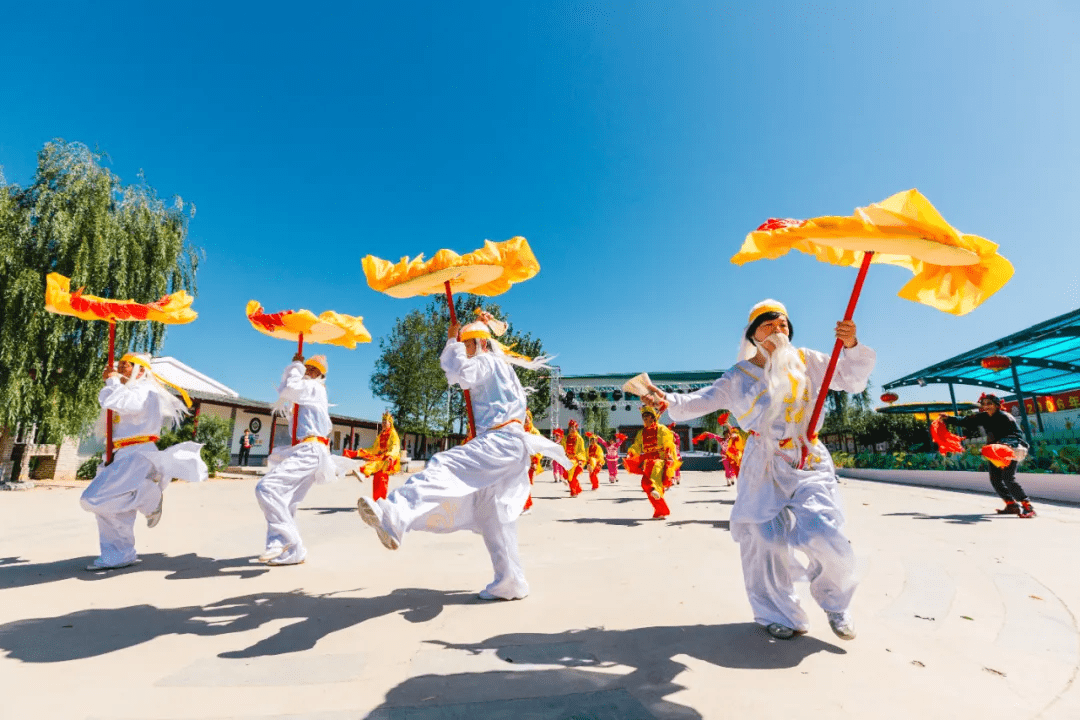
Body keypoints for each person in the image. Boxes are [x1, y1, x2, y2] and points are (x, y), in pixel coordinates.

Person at [643, 299, 875, 641]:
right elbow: (698, 401)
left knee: (824, 531)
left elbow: (853, 379)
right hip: (762, 460)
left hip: (807, 456)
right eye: (768, 325)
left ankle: (836, 603)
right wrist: (666, 400)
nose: (778, 330)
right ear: (753, 335)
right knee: (764, 539)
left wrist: (852, 345)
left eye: (783, 325)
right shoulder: (739, 376)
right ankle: (775, 612)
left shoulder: (809, 360)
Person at [356, 313, 568, 600]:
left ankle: (393, 514)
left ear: (481, 343)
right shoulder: (503, 368)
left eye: (469, 345)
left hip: (500, 440)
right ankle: (511, 582)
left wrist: (451, 340)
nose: (466, 351)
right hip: (510, 444)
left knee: (446, 465)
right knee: (492, 515)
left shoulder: (487, 360)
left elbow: (457, 371)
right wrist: (460, 339)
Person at [81, 352, 208, 571]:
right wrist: (115, 381)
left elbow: (121, 402)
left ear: (141, 370)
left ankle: (147, 495)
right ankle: (119, 554)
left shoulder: (145, 390)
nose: (120, 368)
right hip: (118, 453)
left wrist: (111, 381)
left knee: (92, 499)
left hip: (137, 452)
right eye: (119, 365)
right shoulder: (129, 389)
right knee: (111, 510)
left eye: (126, 365)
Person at [255, 353, 355, 566]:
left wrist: (296, 365)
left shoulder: (314, 389)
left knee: (267, 488)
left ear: (320, 375)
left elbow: (289, 388)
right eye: (307, 368)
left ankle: (285, 540)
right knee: (287, 502)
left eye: (313, 370)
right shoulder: (307, 393)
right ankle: (293, 552)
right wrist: (296, 367)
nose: (308, 372)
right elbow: (287, 391)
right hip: (307, 448)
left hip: (310, 449)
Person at [942, 394, 1035, 518]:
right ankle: (1011, 505)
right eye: (984, 404)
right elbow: (965, 420)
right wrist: (948, 419)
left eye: (989, 403)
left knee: (1008, 478)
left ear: (997, 405)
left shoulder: (1006, 417)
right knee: (995, 479)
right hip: (994, 452)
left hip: (1008, 450)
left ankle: (1028, 506)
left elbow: (1017, 435)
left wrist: (1004, 444)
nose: (986, 406)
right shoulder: (983, 417)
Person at [624, 404, 678, 519]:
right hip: (648, 460)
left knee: (655, 475)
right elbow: (637, 445)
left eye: (647, 417)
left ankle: (657, 492)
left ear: (653, 417)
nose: (645, 419)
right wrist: (631, 452)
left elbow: (668, 442)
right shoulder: (641, 432)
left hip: (660, 459)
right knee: (645, 484)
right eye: (644, 417)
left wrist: (668, 452)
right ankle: (660, 511)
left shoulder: (662, 429)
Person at [359, 411, 401, 501]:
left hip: (387, 459)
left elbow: (395, 446)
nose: (383, 424)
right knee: (376, 480)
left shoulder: (393, 434)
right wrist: (364, 452)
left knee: (382, 479)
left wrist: (390, 454)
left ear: (390, 423)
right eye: (383, 422)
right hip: (380, 457)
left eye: (385, 422)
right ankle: (376, 500)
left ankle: (382, 500)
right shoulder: (380, 435)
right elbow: (374, 448)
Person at [522, 409, 544, 514]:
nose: (525, 418)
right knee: (520, 484)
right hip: (520, 462)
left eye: (527, 416)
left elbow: (539, 447)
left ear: (530, 418)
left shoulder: (535, 432)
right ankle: (524, 505)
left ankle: (527, 506)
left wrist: (535, 461)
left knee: (525, 484)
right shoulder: (519, 430)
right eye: (523, 416)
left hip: (530, 462)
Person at [560, 420, 586, 497]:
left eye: (574, 427)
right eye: (570, 428)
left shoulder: (579, 439)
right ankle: (577, 489)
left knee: (573, 476)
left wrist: (580, 460)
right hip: (567, 460)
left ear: (576, 428)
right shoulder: (565, 438)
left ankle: (574, 491)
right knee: (568, 476)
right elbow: (562, 449)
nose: (572, 429)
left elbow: (581, 451)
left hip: (576, 461)